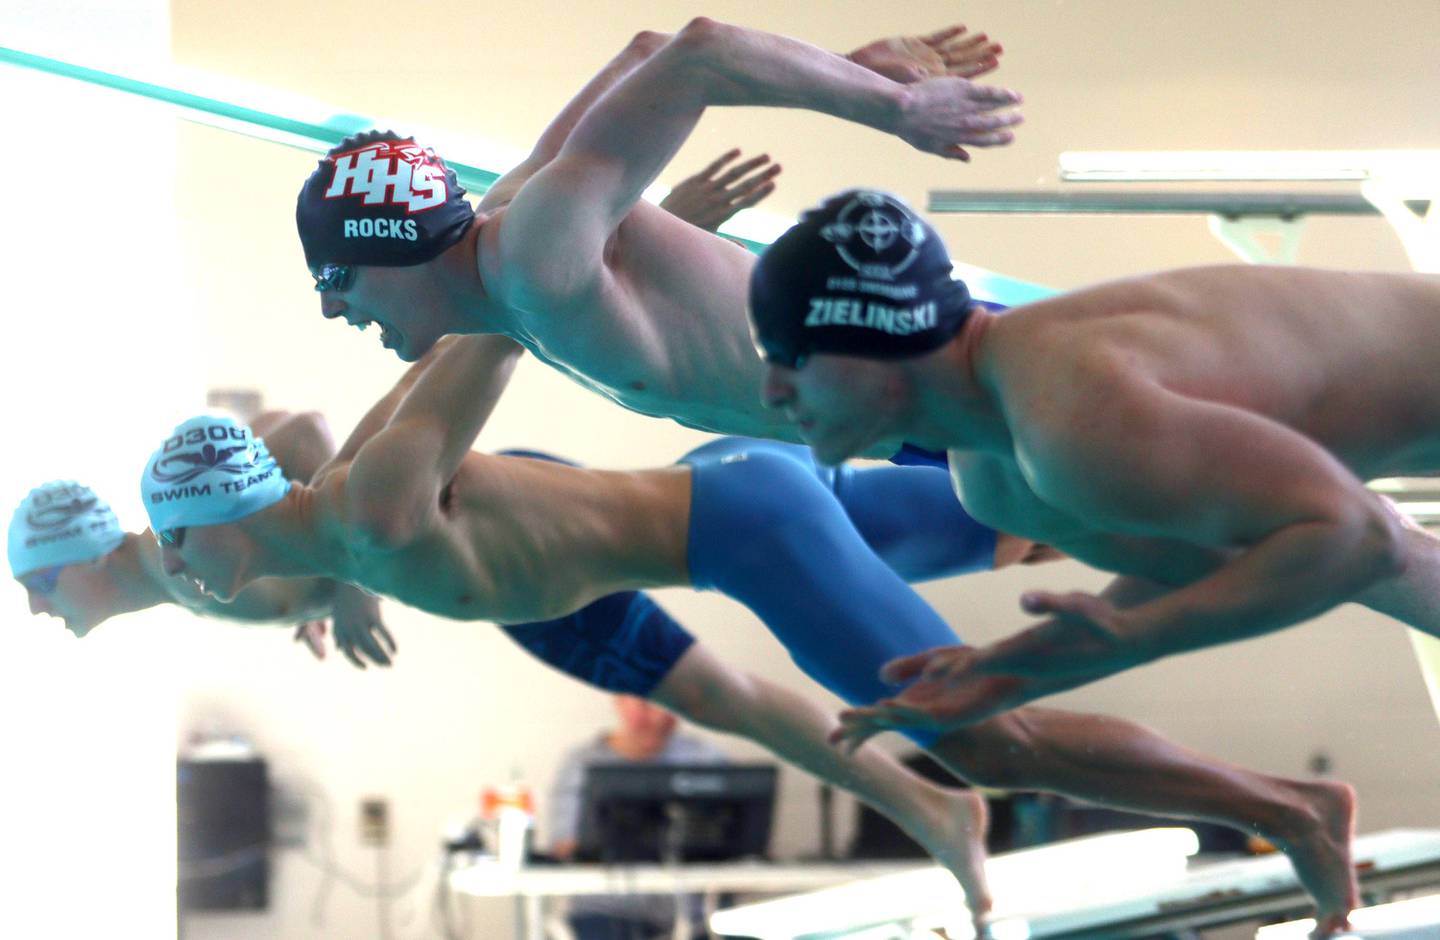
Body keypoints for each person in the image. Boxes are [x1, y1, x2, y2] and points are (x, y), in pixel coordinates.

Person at [144, 334, 1361, 933]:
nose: (177, 573)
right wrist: (339, 595)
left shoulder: (375, 507)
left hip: (744, 529)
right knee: (1026, 517)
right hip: (732, 488)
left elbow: (492, 317)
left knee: (986, 737)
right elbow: (297, 438)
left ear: (222, 528)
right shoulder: (330, 532)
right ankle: (1299, 494)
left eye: (177, 545)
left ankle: (1286, 805)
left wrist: (608, 208)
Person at [748, 190, 1440, 750]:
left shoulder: (1069, 413)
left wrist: (1142, 634)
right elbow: (1242, 563)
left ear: (877, 339)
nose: (771, 390)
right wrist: (1020, 673)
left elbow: (1360, 542)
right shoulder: (995, 481)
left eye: (792, 354)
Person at [294, 19, 1017, 442]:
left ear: (392, 245)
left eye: (333, 276)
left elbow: (699, 54)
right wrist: (842, 69)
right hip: (917, 422)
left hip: (956, 371)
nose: (329, 307)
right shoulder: (514, 249)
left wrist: (892, 106)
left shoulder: (538, 254)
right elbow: (646, 54)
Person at [10, 411, 393, 665]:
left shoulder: (180, 550)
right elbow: (267, 426)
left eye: (40, 582)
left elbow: (304, 433)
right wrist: (297, 562)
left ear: (89, 554)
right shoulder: (187, 571)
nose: (35, 606)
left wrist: (355, 581)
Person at [548, 694, 729, 940]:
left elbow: (733, 836)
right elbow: (564, 845)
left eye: (668, 705)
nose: (657, 717)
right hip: (605, 914)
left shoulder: (704, 757)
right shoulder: (582, 762)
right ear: (619, 700)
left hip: (693, 918)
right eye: (645, 705)